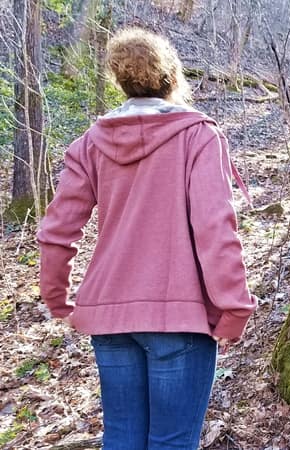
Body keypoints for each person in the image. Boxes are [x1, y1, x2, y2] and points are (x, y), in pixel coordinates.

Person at [37, 27, 257, 449]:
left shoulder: (90, 143)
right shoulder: (198, 136)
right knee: (171, 443)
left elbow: (57, 228)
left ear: (120, 81)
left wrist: (57, 298)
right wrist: (233, 308)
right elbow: (215, 228)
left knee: (121, 438)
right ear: (172, 77)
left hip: (110, 317)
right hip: (180, 318)